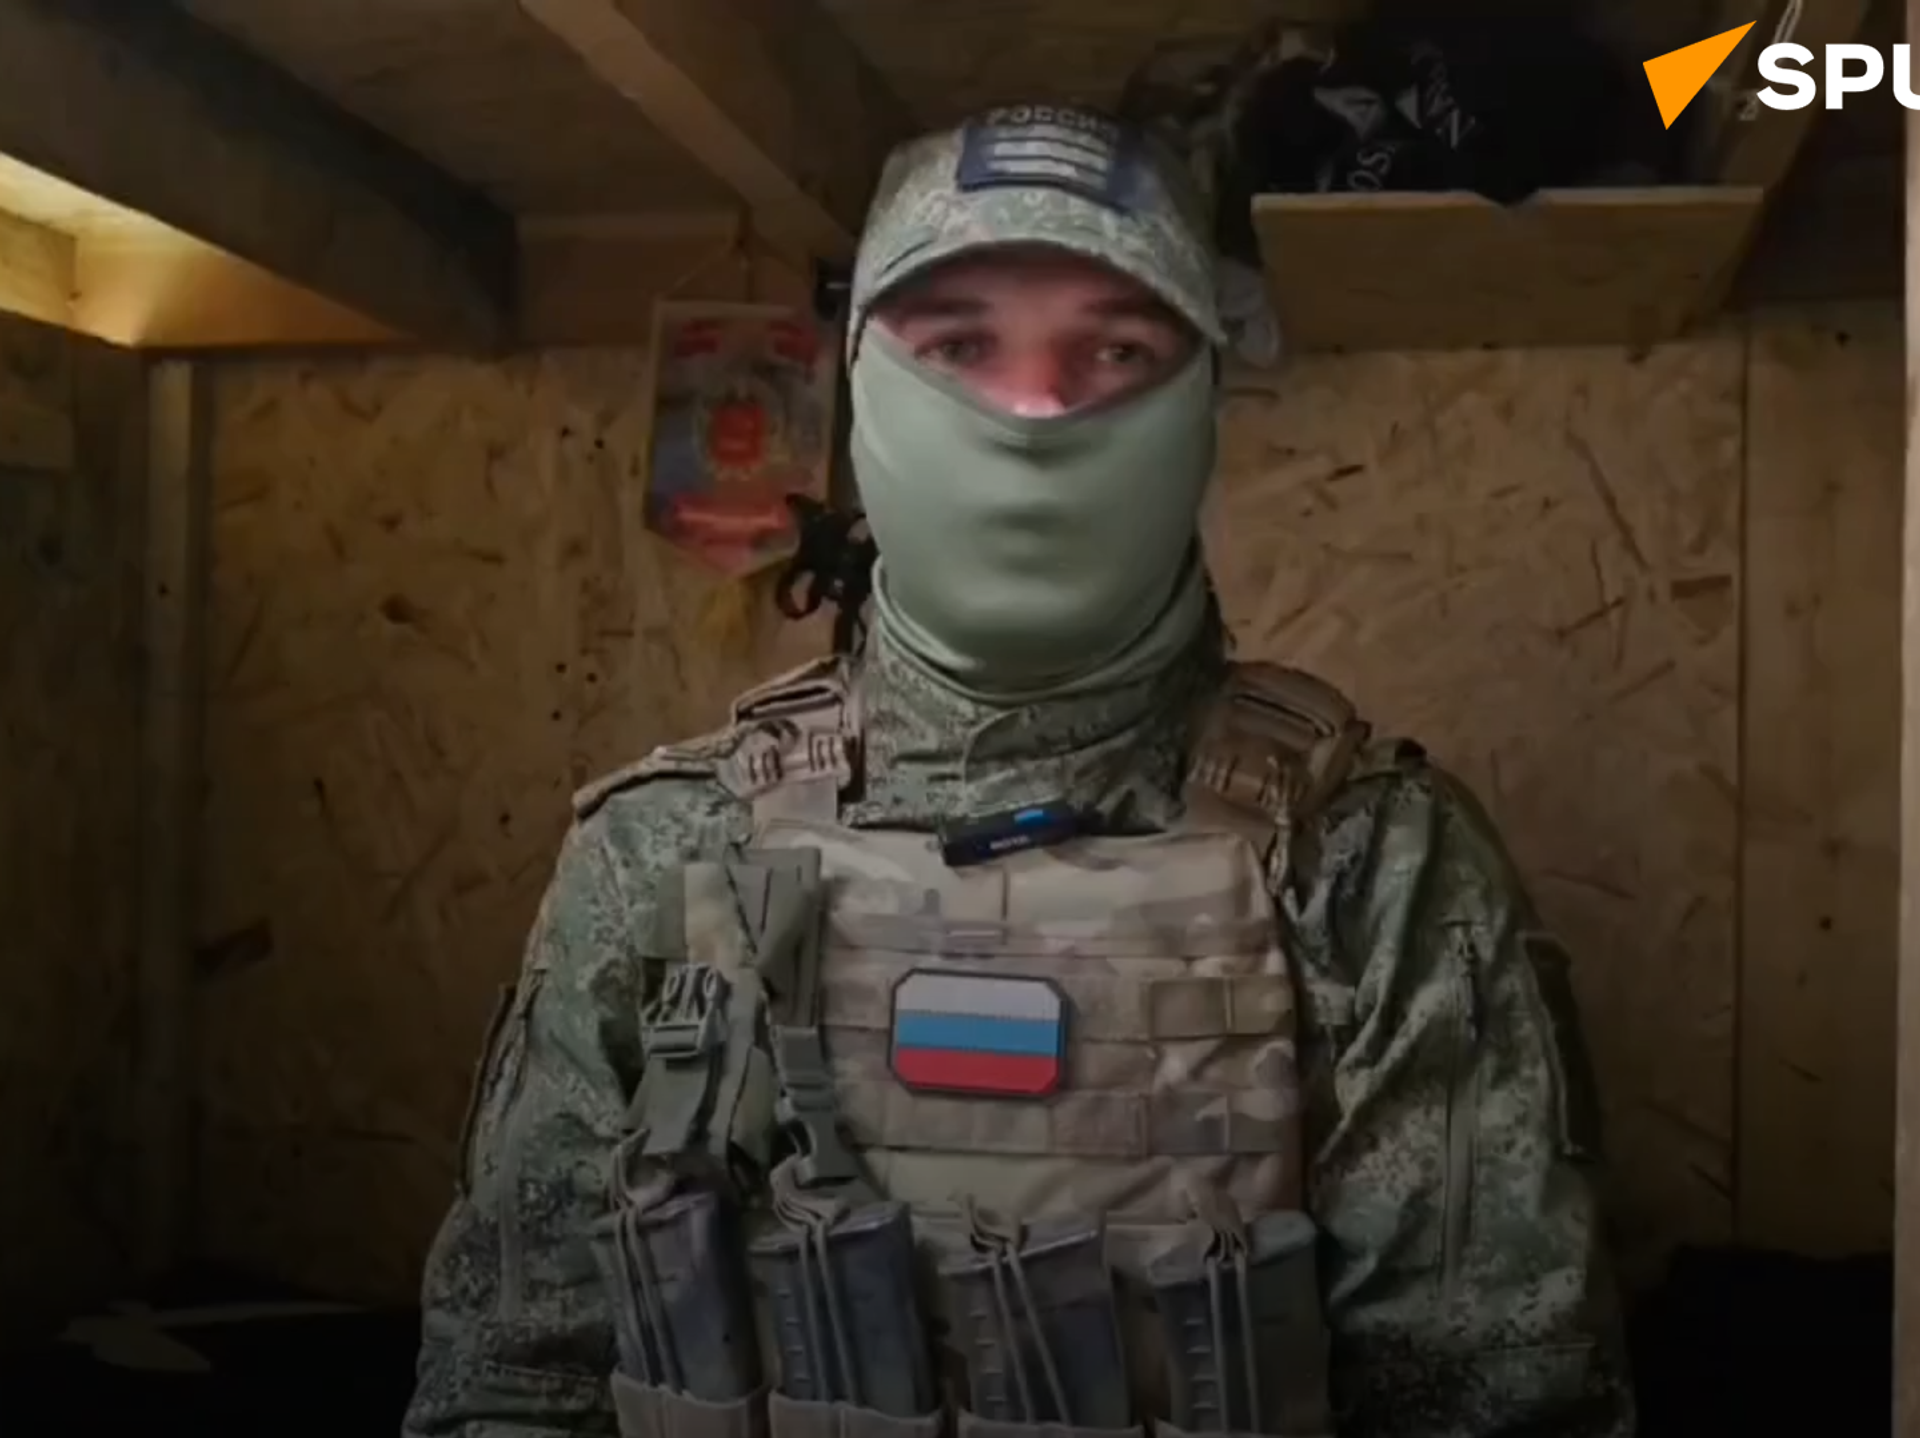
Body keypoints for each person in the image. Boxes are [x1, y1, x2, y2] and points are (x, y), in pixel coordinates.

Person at [404, 105, 1636, 1438]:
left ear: (1204, 407)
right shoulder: (662, 854)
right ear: (863, 389)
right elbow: (511, 1388)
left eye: (1117, 349)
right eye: (959, 346)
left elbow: (1501, 1404)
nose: (1037, 410)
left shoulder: (1374, 865)